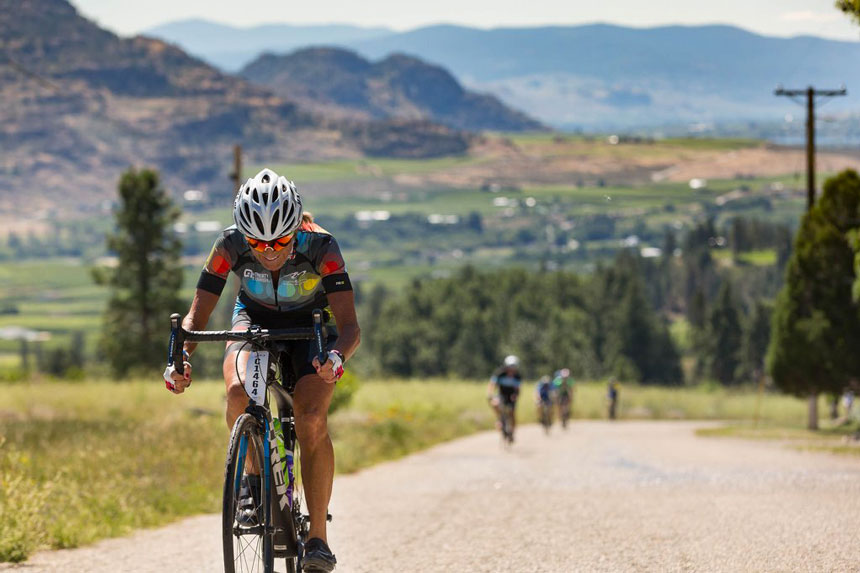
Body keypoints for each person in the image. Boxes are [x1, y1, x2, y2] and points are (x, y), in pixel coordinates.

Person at [163, 168, 359, 572]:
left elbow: (351, 328)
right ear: (242, 234)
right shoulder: (228, 244)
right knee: (238, 392)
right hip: (252, 319)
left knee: (311, 418)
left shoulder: (322, 247)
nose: (269, 251)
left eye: (280, 241)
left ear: (295, 227)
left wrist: (336, 359)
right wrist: (181, 357)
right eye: (257, 243)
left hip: (310, 328)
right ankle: (252, 486)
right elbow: (195, 318)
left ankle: (318, 537)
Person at [487, 355, 523, 437]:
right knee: (495, 404)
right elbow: (492, 384)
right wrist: (490, 394)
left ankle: (512, 433)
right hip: (501, 394)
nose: (512, 369)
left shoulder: (517, 376)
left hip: (512, 396)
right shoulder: (500, 373)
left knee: (512, 413)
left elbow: (518, 389)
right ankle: (499, 418)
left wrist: (516, 396)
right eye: (510, 367)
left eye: (514, 367)